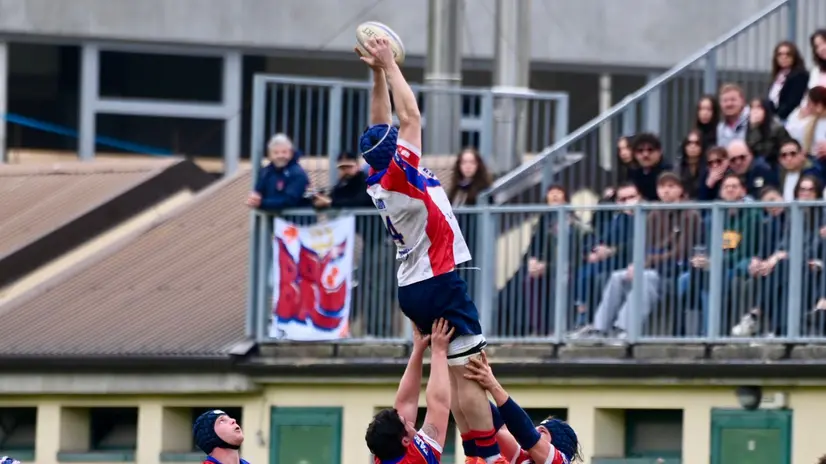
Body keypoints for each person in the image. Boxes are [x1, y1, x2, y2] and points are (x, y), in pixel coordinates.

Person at [356, 37, 505, 464]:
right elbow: (410, 115)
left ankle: (478, 452)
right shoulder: (402, 169)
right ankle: (488, 456)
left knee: (456, 371)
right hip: (437, 280)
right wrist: (391, 65)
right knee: (472, 368)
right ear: (396, 148)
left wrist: (377, 75)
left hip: (412, 287)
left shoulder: (378, 177)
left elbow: (381, 123)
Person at [463, 352, 580, 464]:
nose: (536, 431)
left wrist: (493, 385)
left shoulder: (559, 462)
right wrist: (464, 379)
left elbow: (526, 433)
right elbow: (498, 427)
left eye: (542, 431)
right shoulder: (525, 459)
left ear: (557, 444)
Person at [366, 319, 453, 464]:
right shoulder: (418, 459)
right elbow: (439, 404)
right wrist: (439, 352)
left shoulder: (384, 453)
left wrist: (418, 350)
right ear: (405, 441)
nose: (410, 422)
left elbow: (406, 402)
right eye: (406, 422)